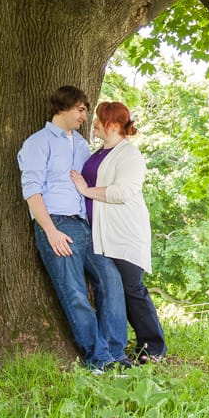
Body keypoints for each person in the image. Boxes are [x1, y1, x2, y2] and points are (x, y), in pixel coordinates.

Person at [17, 86, 132, 371]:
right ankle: (98, 358)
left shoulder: (81, 146)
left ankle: (116, 354)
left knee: (111, 280)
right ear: (63, 108)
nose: (85, 116)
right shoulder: (38, 142)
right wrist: (50, 231)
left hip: (86, 226)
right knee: (75, 291)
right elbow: (32, 191)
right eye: (81, 109)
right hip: (56, 224)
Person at [70, 101, 167, 364]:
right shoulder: (100, 153)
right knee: (112, 289)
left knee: (132, 289)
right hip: (100, 233)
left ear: (113, 123)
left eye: (99, 119)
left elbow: (123, 193)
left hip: (125, 233)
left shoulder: (129, 155)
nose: (95, 124)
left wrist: (86, 191)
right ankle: (116, 346)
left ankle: (154, 348)